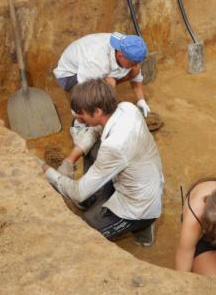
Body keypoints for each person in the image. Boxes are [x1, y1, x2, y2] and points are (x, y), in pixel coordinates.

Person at [42, 78, 164, 246]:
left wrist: (47, 171)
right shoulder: (127, 108)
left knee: (85, 230)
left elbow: (78, 192)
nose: (79, 118)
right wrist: (70, 160)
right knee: (92, 144)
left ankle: (142, 225)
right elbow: (94, 131)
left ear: (98, 111)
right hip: (138, 178)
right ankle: (92, 199)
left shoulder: (115, 146)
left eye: (82, 113)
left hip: (138, 206)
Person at [54, 32, 153, 176]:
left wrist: (141, 100)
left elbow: (136, 74)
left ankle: (107, 87)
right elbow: (82, 94)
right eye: (132, 62)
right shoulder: (95, 62)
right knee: (93, 101)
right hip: (70, 74)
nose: (135, 65)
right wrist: (81, 114)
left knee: (128, 74)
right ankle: (78, 126)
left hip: (99, 69)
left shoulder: (127, 45)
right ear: (120, 55)